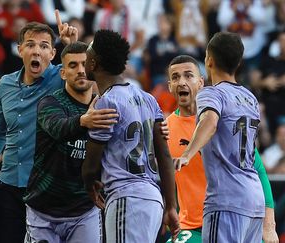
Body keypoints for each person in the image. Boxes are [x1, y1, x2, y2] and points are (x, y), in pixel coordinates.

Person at [0, 12, 117, 243]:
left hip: (44, 189)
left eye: (44, 45)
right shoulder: (5, 84)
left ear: (52, 53)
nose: (36, 50)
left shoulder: (60, 76)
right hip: (9, 183)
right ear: (20, 50)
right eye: (30, 44)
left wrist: (72, 44)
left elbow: (85, 73)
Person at [166, 54, 279, 243]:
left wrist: (269, 227)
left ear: (201, 82)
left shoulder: (225, 121)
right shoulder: (164, 130)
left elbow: (259, 170)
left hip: (233, 219)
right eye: (175, 77)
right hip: (193, 228)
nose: (181, 82)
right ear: (169, 86)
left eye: (188, 75)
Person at [81, 29, 180, 243]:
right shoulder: (148, 98)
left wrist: (90, 183)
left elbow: (90, 166)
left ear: (94, 63)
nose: (84, 59)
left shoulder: (106, 102)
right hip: (153, 198)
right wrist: (171, 205)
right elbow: (164, 155)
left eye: (87, 53)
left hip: (127, 196)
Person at [24, 41, 109, 243]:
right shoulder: (50, 103)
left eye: (84, 64)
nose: (80, 71)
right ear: (63, 73)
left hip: (84, 210)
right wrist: (83, 121)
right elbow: (58, 128)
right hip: (43, 210)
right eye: (73, 65)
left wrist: (156, 125)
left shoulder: (106, 104)